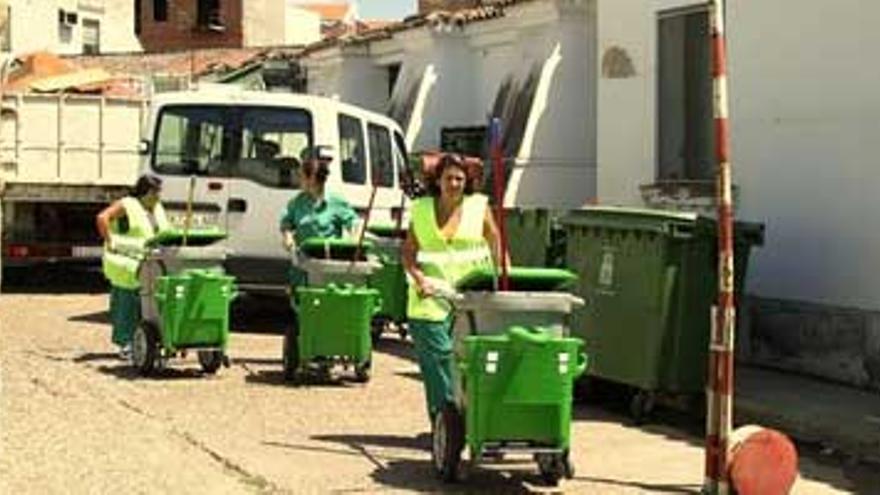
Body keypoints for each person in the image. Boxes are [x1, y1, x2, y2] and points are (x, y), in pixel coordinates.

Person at [401, 153, 507, 424]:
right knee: (439, 360)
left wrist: (507, 282)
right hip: (430, 298)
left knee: (472, 359)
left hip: (471, 296)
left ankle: (468, 419)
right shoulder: (422, 209)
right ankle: (446, 420)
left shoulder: (478, 207)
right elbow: (409, 253)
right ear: (437, 180)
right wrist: (419, 278)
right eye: (448, 178)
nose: (454, 183)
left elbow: (497, 247)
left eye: (460, 178)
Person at [96, 174, 169, 358]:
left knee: (147, 304)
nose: (158, 196)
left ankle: (146, 342)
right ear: (145, 192)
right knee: (126, 303)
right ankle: (126, 343)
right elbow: (102, 217)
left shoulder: (156, 208)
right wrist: (110, 240)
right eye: (155, 192)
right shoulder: (127, 204)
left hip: (149, 260)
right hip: (126, 260)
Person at [279, 147, 358, 256]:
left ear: (312, 179)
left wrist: (353, 238)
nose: (298, 180)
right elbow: (286, 222)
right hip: (303, 263)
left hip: (328, 263)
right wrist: (287, 237)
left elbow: (353, 221)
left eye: (301, 176)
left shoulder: (336, 202)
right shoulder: (297, 202)